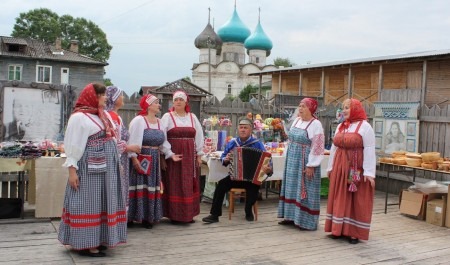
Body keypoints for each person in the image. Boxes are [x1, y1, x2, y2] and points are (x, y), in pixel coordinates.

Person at [58, 83, 127, 257]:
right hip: (89, 169)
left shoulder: (102, 115)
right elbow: (73, 144)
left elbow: (112, 140)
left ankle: (100, 239)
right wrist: (72, 171)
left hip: (107, 168)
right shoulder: (79, 118)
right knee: (89, 202)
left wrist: (117, 161)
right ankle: (87, 243)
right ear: (93, 96)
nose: (105, 98)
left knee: (104, 202)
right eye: (102, 95)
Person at [325, 98, 376, 244]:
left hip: (355, 167)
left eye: (347, 107)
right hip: (340, 166)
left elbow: (369, 149)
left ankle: (353, 232)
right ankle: (338, 229)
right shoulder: (341, 126)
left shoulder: (365, 127)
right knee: (339, 196)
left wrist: (369, 173)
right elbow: (334, 148)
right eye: (343, 108)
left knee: (354, 198)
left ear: (356, 109)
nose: (344, 110)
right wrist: (330, 167)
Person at [202, 117, 273, 223]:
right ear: (238, 129)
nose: (243, 130)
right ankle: (214, 215)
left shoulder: (257, 144)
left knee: (255, 189)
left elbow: (268, 160)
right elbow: (224, 156)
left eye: (245, 128)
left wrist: (268, 169)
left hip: (251, 179)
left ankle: (248, 211)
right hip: (235, 176)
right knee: (221, 186)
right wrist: (225, 159)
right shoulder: (233, 142)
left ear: (250, 130)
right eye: (241, 128)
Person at [127, 94, 182, 228]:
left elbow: (163, 142)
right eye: (156, 103)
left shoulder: (160, 122)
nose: (159, 105)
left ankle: (148, 217)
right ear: (148, 105)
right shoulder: (139, 120)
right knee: (138, 185)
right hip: (141, 157)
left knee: (150, 187)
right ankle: (132, 217)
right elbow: (132, 141)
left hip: (155, 159)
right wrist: (134, 160)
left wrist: (170, 154)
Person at [277, 98, 325, 230]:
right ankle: (290, 216)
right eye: (300, 106)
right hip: (293, 159)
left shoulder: (316, 125)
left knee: (305, 189)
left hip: (305, 161)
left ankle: (305, 221)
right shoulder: (297, 121)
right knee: (291, 187)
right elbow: (291, 139)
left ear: (311, 109)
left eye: (304, 106)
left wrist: (311, 165)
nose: (301, 109)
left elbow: (318, 147)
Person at [160, 90, 204, 224]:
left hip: (190, 156)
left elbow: (199, 136)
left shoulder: (192, 117)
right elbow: (162, 137)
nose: (178, 102)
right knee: (175, 183)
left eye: (181, 99)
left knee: (188, 183)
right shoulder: (167, 117)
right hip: (174, 155)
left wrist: (199, 154)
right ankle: (175, 215)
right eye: (176, 100)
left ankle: (188, 215)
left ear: (186, 102)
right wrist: (169, 154)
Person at [105, 86, 141, 212]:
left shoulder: (116, 117)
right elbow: (111, 142)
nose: (123, 97)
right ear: (113, 99)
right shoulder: (110, 117)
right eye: (120, 96)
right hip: (116, 160)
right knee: (116, 188)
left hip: (123, 159)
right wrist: (129, 147)